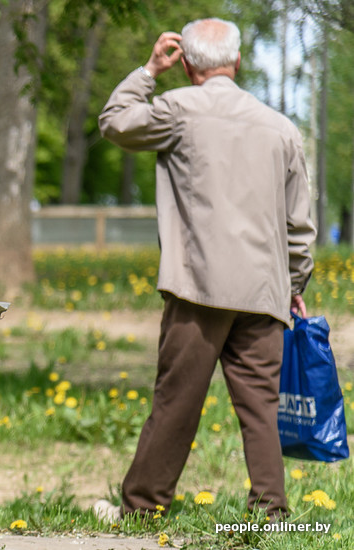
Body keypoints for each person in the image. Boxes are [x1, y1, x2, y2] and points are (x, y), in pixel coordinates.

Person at [93, 18, 315, 521]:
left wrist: (150, 70)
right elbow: (300, 225)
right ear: (237, 63)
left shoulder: (177, 111)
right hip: (263, 293)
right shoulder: (282, 128)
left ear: (188, 65)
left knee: (176, 403)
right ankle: (270, 512)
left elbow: (115, 120)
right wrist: (293, 284)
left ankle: (144, 507)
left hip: (199, 289)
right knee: (260, 410)